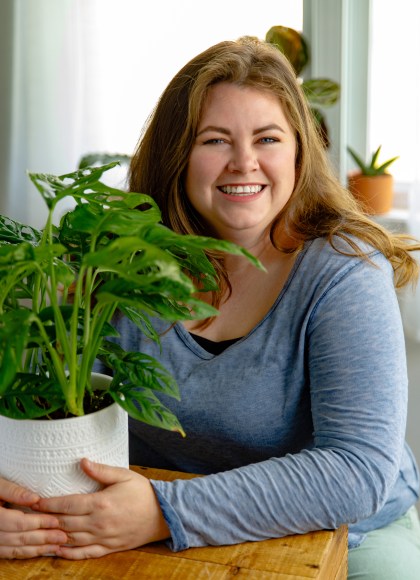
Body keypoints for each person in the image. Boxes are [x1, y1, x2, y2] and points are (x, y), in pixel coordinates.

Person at [1, 36, 420, 577]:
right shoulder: (118, 261)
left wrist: (162, 511)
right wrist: (16, 495)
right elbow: (47, 412)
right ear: (178, 154)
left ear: (298, 150)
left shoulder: (343, 272)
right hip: (141, 528)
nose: (244, 162)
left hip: (343, 530)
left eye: (267, 138)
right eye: (216, 140)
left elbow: (356, 472)